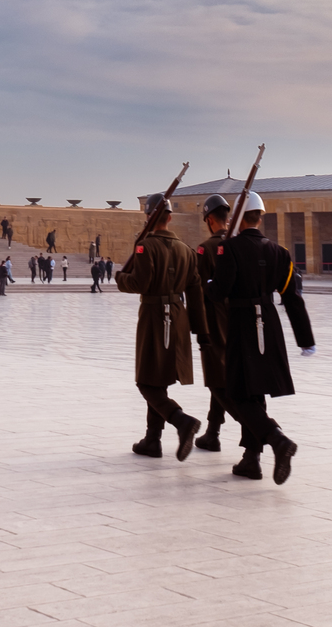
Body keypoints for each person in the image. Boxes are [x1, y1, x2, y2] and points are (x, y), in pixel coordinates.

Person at [204, 191, 307, 485]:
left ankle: (277, 439)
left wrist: (211, 281)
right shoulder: (280, 251)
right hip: (270, 324)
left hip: (242, 323)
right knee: (256, 391)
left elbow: (219, 291)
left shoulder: (230, 248)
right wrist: (305, 339)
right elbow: (291, 298)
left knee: (237, 393)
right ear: (260, 216)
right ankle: (251, 459)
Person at [115, 192, 205, 462]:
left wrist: (121, 279)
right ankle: (152, 439)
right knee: (158, 380)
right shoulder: (186, 250)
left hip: (154, 316)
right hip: (178, 316)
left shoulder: (146, 246)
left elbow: (140, 283)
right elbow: (196, 290)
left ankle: (181, 421)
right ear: (169, 217)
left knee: (146, 382)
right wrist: (200, 329)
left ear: (149, 217)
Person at [192, 194, 241, 454]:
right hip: (239, 322)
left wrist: (199, 328)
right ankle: (212, 433)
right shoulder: (237, 245)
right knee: (222, 378)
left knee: (216, 380)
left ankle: (262, 430)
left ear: (210, 220)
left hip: (215, 322)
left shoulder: (206, 248)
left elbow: (200, 291)